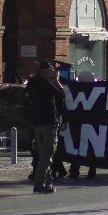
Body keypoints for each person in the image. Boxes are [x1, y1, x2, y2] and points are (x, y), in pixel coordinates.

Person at [24, 61, 66, 194]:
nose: (52, 72)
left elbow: (24, 99)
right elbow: (61, 94)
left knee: (43, 155)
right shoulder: (46, 83)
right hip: (48, 123)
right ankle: (39, 184)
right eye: (50, 70)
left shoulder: (32, 82)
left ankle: (48, 184)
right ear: (44, 71)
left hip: (36, 124)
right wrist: (57, 81)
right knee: (47, 155)